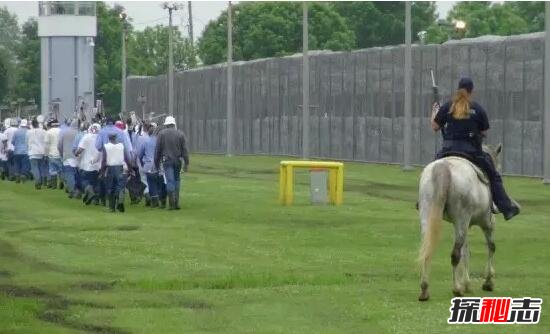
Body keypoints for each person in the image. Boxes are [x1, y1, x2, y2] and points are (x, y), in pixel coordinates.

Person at [432, 77, 520, 221]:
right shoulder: (477, 108)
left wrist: (434, 112)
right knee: (493, 175)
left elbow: (435, 126)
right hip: (471, 151)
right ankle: (506, 208)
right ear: (471, 91)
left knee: (432, 171)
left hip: (447, 150)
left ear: (458, 89)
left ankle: (424, 201)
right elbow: (484, 132)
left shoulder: (448, 106)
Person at [154, 116, 189, 210]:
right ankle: (176, 203)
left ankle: (171, 203)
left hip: (167, 161)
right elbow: (185, 150)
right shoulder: (180, 134)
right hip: (178, 161)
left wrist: (156, 163)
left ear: (166, 125)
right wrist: (186, 163)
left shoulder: (161, 134)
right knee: (177, 180)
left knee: (170, 181)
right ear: (174, 124)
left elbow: (157, 150)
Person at [101, 133, 130, 212]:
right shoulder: (121, 146)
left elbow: (104, 160)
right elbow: (126, 158)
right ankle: (120, 201)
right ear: (116, 138)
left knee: (111, 187)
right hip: (121, 167)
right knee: (120, 186)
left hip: (110, 168)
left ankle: (112, 208)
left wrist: (102, 171)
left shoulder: (106, 146)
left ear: (109, 138)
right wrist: (130, 168)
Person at [75, 123, 102, 205]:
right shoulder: (101, 138)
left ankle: (90, 192)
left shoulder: (86, 137)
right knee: (96, 183)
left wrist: (76, 153)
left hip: (86, 164)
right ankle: (96, 200)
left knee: (84, 181)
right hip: (98, 164)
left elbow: (80, 149)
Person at [58, 119, 80, 198]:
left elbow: (60, 145)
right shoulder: (80, 133)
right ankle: (77, 189)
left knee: (69, 174)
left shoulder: (64, 132)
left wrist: (61, 154)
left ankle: (72, 191)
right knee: (77, 175)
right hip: (78, 157)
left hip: (67, 156)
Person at [26, 118, 48, 189]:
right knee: (42, 167)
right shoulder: (43, 131)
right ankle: (43, 180)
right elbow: (46, 142)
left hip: (32, 152)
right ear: (38, 124)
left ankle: (38, 182)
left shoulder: (28, 132)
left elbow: (26, 142)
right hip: (42, 151)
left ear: (32, 125)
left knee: (35, 168)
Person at [44, 119, 63, 189]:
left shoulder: (48, 132)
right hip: (60, 153)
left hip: (51, 153)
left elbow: (46, 145)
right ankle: (61, 182)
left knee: (52, 170)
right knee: (61, 169)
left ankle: (54, 185)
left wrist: (45, 154)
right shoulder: (62, 131)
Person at [11, 119, 29, 183]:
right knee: (24, 164)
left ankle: (17, 176)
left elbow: (12, 142)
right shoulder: (28, 131)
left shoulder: (16, 132)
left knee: (17, 164)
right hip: (25, 151)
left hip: (17, 151)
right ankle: (23, 175)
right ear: (26, 124)